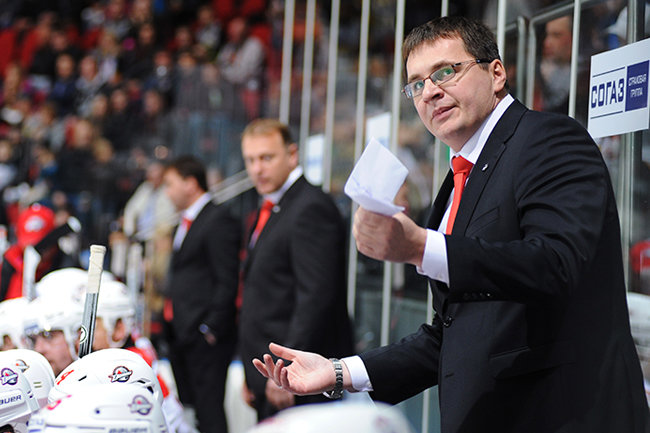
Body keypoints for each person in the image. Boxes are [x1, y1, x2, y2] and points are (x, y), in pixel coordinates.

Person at [252, 16, 649, 433]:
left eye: (445, 71)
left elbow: (556, 263)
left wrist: (420, 247)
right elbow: (452, 332)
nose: (430, 92)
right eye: (416, 84)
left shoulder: (549, 139)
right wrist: (338, 372)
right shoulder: (459, 179)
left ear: (497, 73)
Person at [238, 118, 353, 421]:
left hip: (296, 377)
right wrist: (253, 372)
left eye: (266, 158)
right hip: (270, 372)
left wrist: (287, 372)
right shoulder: (273, 206)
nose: (257, 169)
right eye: (250, 160)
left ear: (292, 155)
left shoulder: (310, 207)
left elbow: (315, 297)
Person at [162, 155, 240, 433]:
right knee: (190, 411)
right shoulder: (184, 223)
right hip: (181, 332)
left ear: (190, 183)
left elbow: (227, 278)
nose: (167, 192)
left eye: (170, 184)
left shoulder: (218, 219)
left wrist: (210, 327)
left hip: (204, 337)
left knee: (209, 413)